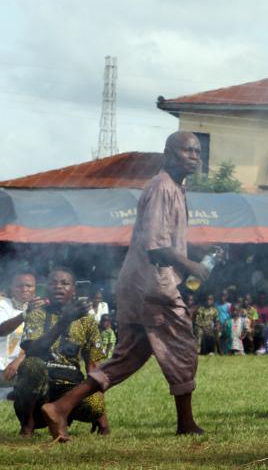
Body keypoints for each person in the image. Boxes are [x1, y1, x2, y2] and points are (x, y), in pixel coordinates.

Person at [40, 131, 211, 441]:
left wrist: (195, 253)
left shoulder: (174, 188)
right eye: (188, 151)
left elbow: (165, 240)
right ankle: (185, 423)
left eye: (198, 152)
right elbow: (155, 245)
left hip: (139, 284)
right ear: (168, 155)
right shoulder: (162, 188)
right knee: (183, 348)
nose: (195, 157)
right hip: (153, 286)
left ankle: (61, 408)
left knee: (128, 357)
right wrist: (192, 266)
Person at [13, 268, 109, 437]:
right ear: (46, 288)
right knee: (31, 365)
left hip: (70, 390)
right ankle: (28, 424)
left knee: (95, 405)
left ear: (74, 289)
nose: (58, 287)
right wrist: (65, 321)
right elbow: (32, 350)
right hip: (40, 390)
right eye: (53, 283)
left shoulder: (87, 321)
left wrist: (102, 415)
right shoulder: (36, 314)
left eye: (65, 283)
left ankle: (62, 417)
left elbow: (93, 367)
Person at [1, 269, 47, 401]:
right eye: (19, 286)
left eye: (29, 286)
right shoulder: (3, 305)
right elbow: (1, 330)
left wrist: (19, 360)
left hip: (22, 367)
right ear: (12, 287)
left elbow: (41, 343)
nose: (24, 289)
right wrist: (25, 315)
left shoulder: (42, 311)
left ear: (35, 288)